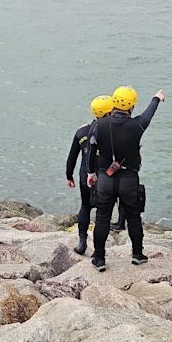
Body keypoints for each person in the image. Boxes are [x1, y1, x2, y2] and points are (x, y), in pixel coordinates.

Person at [87, 86, 165, 271]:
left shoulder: (99, 125)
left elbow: (91, 152)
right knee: (134, 217)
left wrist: (91, 173)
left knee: (102, 218)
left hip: (105, 177)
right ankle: (137, 255)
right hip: (129, 178)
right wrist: (156, 98)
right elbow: (149, 114)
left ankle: (99, 258)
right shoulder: (137, 125)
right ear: (131, 106)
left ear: (113, 102)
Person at [66, 95, 113, 255]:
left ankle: (82, 242)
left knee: (85, 206)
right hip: (104, 176)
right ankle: (99, 250)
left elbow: (72, 157)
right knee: (102, 211)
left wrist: (69, 176)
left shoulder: (81, 132)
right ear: (109, 112)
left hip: (84, 174)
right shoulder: (112, 132)